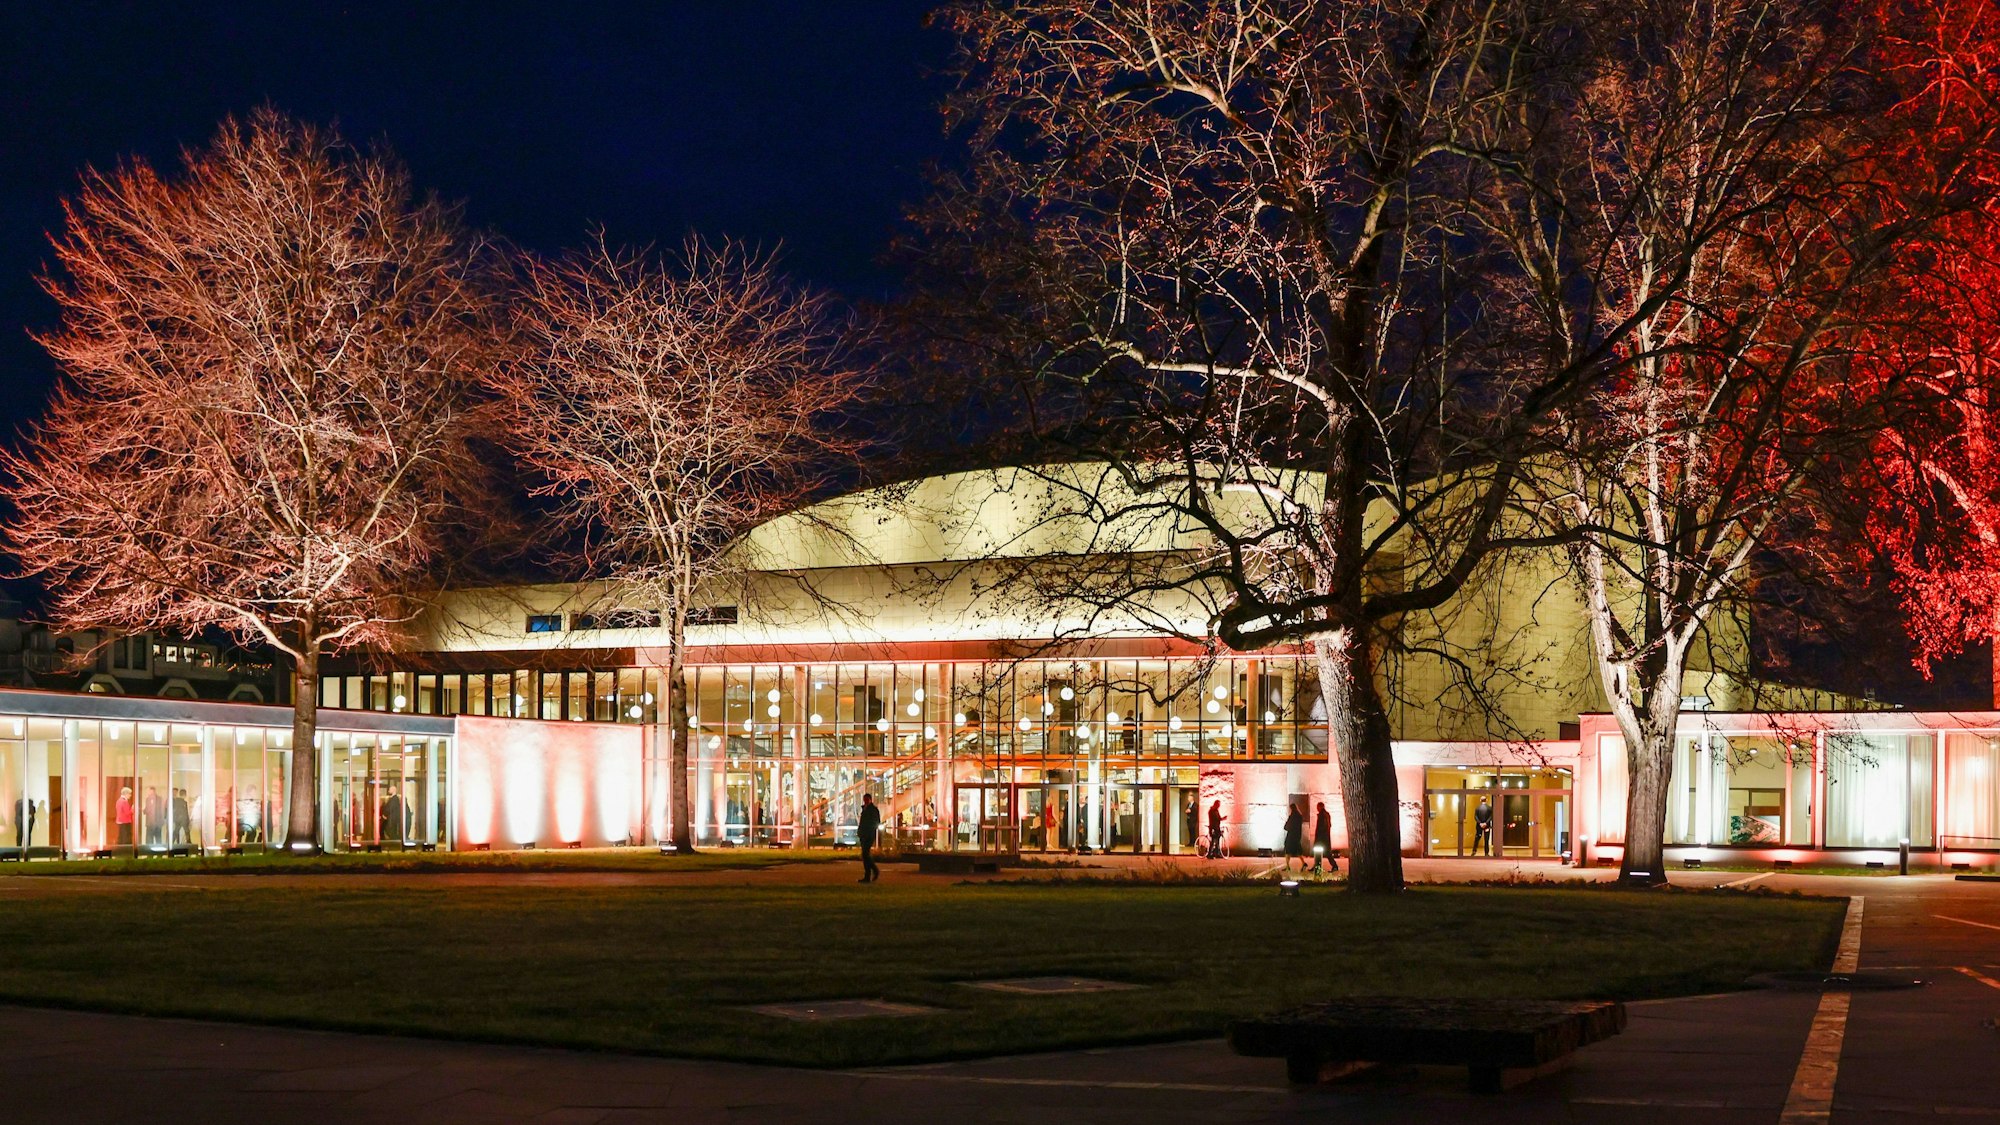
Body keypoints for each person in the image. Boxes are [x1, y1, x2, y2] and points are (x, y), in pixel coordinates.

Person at [857, 792, 882, 883]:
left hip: (869, 835)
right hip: (864, 834)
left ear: (870, 800)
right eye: (864, 800)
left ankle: (873, 871)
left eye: (867, 799)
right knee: (865, 855)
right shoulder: (865, 809)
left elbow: (876, 821)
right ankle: (868, 875)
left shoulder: (872, 810)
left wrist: (871, 830)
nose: (865, 801)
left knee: (865, 854)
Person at [1312, 801, 1335, 875]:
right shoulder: (1327, 814)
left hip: (1321, 837)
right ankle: (1317, 866)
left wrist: (1319, 836)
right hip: (1325, 837)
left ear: (1320, 807)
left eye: (1318, 807)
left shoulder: (1322, 815)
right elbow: (1329, 825)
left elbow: (1321, 827)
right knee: (1327, 852)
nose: (1317, 809)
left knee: (1320, 852)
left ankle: (1317, 867)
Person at [1282, 800, 1306, 872]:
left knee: (1287, 850)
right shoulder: (1299, 817)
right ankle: (1303, 863)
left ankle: (1288, 866)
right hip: (1297, 836)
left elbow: (1286, 826)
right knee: (1298, 851)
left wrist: (1287, 827)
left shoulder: (1292, 816)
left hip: (1291, 836)